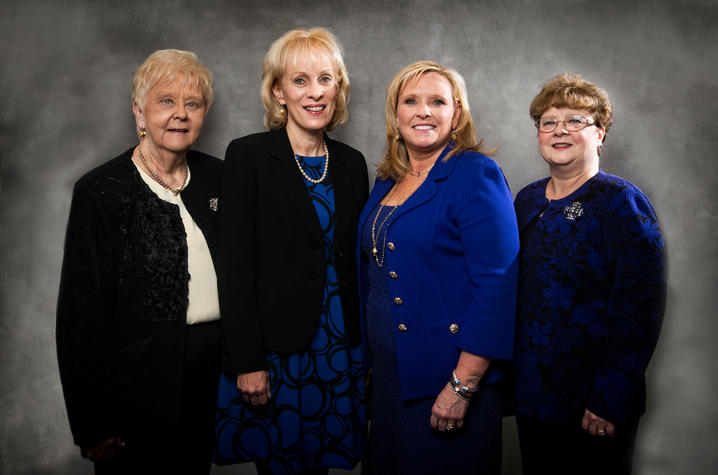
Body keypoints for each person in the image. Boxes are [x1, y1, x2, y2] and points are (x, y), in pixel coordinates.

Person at [56, 49, 222, 475]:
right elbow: (80, 314)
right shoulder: (102, 191)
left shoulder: (220, 178)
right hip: (135, 395)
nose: (180, 114)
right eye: (166, 101)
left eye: (193, 104)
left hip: (211, 388)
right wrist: (93, 423)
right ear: (139, 112)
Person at [214, 27, 368, 474]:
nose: (314, 93)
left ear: (338, 87)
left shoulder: (351, 162)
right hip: (276, 351)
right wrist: (247, 361)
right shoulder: (248, 156)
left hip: (341, 345)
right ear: (278, 92)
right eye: (300, 81)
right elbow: (235, 267)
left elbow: (356, 262)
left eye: (325, 79)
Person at [357, 60, 519, 474]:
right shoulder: (388, 178)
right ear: (396, 114)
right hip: (392, 380)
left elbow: (496, 286)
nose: (423, 111)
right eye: (411, 101)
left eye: (437, 101)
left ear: (457, 114)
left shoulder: (475, 174)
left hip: (444, 379)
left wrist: (462, 386)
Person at [512, 73, 666, 475]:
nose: (560, 130)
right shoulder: (526, 200)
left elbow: (640, 309)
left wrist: (608, 399)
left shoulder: (620, 202)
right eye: (549, 122)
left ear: (600, 134)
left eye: (575, 120)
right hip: (533, 393)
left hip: (593, 403)